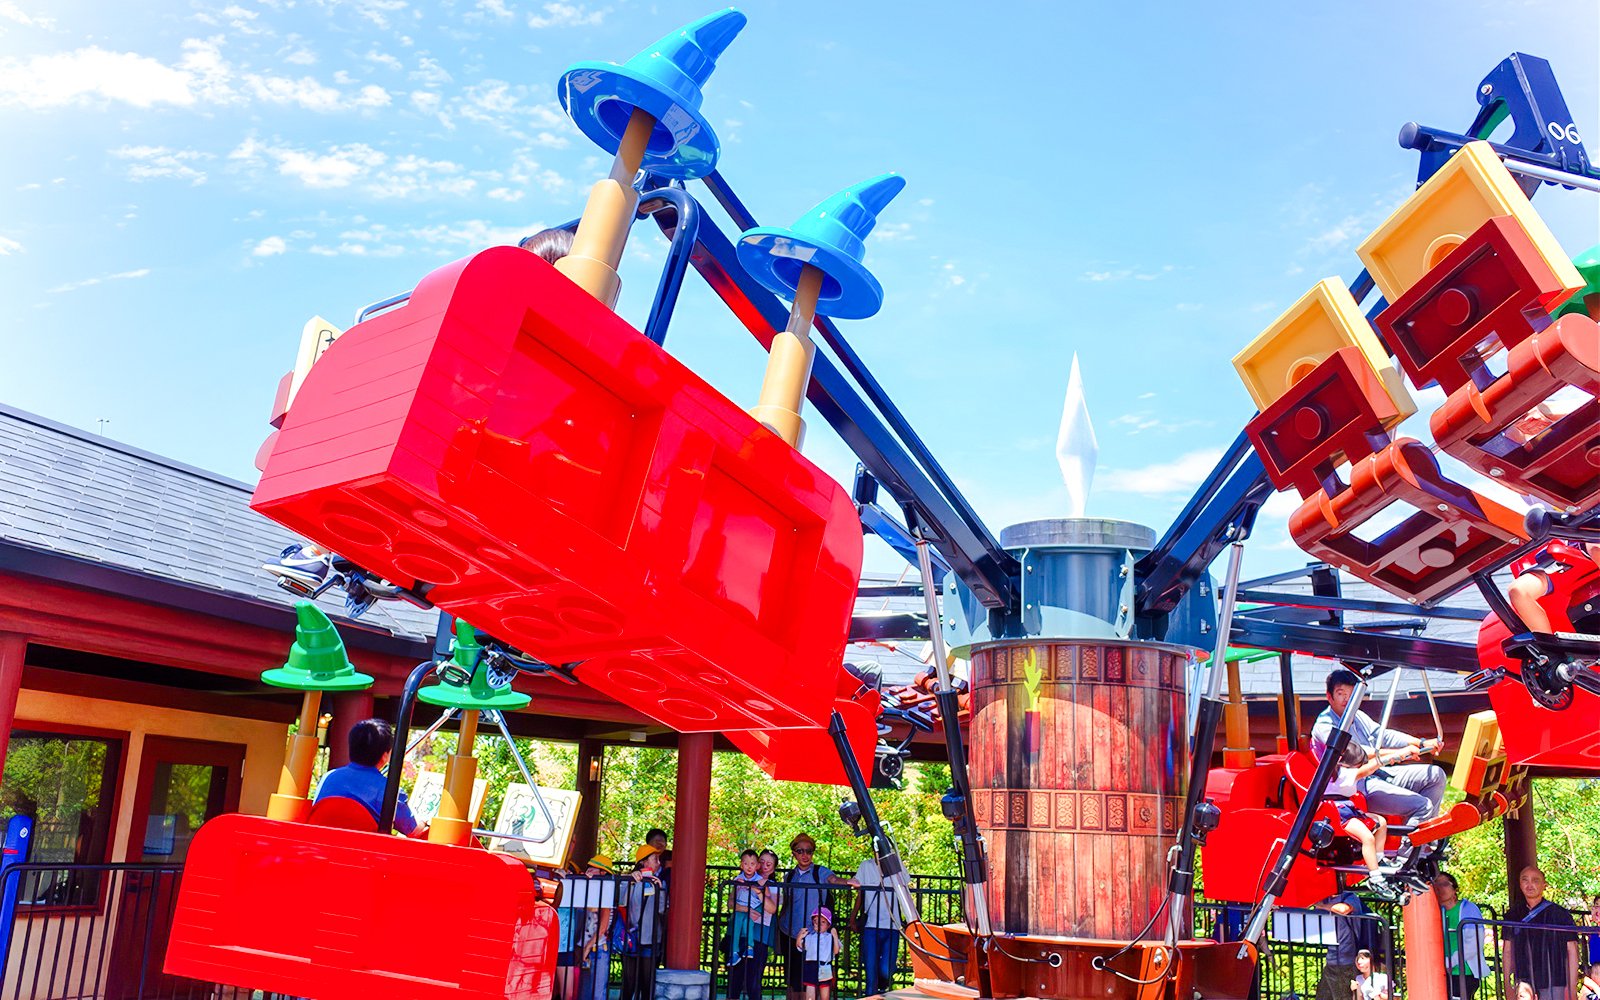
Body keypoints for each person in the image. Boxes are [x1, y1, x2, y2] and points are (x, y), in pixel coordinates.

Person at [1310, 668, 1447, 834]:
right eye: (1341, 693)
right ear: (1329, 696)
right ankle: (1407, 856)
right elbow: (1355, 753)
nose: (1347, 699)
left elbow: (1382, 735)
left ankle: (1426, 842)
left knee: (1435, 775)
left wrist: (1421, 742)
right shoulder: (1324, 726)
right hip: (1356, 785)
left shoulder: (1357, 716)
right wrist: (1396, 754)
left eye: (1352, 694)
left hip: (1378, 772)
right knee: (1423, 806)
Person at [313, 718, 426, 836]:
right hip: (364, 852)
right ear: (385, 755)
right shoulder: (389, 791)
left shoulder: (328, 778)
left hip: (318, 848)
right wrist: (424, 821)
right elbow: (413, 831)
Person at [777, 835, 857, 1000]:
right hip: (791, 931)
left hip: (815, 935)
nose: (804, 855)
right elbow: (785, 901)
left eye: (809, 851)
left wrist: (848, 881)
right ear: (794, 853)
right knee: (793, 976)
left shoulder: (820, 872)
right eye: (800, 851)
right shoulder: (789, 876)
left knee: (816, 977)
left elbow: (833, 879)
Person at [1321, 740, 1394, 897]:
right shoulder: (1341, 774)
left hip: (1349, 807)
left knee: (1380, 822)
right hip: (1338, 813)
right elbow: (1367, 770)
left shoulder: (1341, 771)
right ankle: (1374, 877)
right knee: (1367, 838)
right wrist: (1391, 757)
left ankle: (1378, 858)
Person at [1505, 865, 1581, 1000]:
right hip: (1524, 979)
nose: (1530, 884)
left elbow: (1573, 951)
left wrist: (1572, 987)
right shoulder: (1512, 915)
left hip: (1555, 980)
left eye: (1535, 880)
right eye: (1525, 880)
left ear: (1544, 885)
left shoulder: (1560, 914)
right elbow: (1507, 951)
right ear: (1520, 884)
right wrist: (1507, 983)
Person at [618, 846, 667, 1000]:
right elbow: (622, 903)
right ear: (644, 862)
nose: (659, 863)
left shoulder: (660, 882)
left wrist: (660, 890)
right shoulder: (630, 881)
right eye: (655, 859)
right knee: (629, 983)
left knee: (647, 984)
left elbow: (661, 910)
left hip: (650, 937)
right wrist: (631, 881)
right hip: (632, 936)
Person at [853, 849, 904, 996]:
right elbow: (860, 893)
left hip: (892, 925)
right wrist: (853, 916)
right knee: (870, 972)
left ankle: (881, 987)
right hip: (871, 925)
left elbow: (905, 888)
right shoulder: (866, 865)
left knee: (886, 969)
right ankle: (872, 994)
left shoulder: (895, 864)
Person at [1434, 871, 1487, 1000]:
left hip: (1464, 972)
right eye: (1437, 885)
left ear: (1455, 889)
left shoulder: (1468, 908)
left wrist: (1451, 962)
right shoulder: (1435, 910)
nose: (1440, 888)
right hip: (1441, 972)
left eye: (1445, 884)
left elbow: (1474, 943)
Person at [578, 855, 617, 1000]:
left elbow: (603, 926)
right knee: (584, 992)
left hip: (599, 948)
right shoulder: (589, 889)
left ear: (602, 873)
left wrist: (587, 947)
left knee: (597, 994)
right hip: (586, 946)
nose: (589, 871)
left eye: (593, 868)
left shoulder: (606, 891)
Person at [795, 907, 840, 1000]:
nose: (818, 924)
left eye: (823, 922)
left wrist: (835, 936)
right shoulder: (810, 937)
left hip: (825, 966)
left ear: (828, 924)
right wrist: (799, 936)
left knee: (825, 994)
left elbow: (836, 951)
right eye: (815, 921)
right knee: (810, 993)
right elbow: (800, 947)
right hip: (811, 965)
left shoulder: (830, 937)